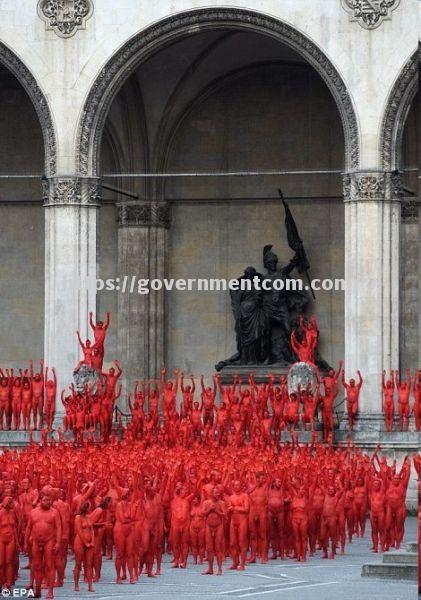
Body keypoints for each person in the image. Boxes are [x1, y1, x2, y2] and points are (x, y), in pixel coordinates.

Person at [25, 488, 62, 599]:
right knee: (36, 566)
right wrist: (26, 542)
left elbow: (59, 528)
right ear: (40, 500)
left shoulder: (54, 512)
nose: (48, 502)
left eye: (50, 500)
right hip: (36, 541)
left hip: (49, 541)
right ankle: (38, 590)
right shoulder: (33, 512)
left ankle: (50, 591)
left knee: (49, 565)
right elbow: (28, 528)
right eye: (46, 500)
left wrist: (58, 542)